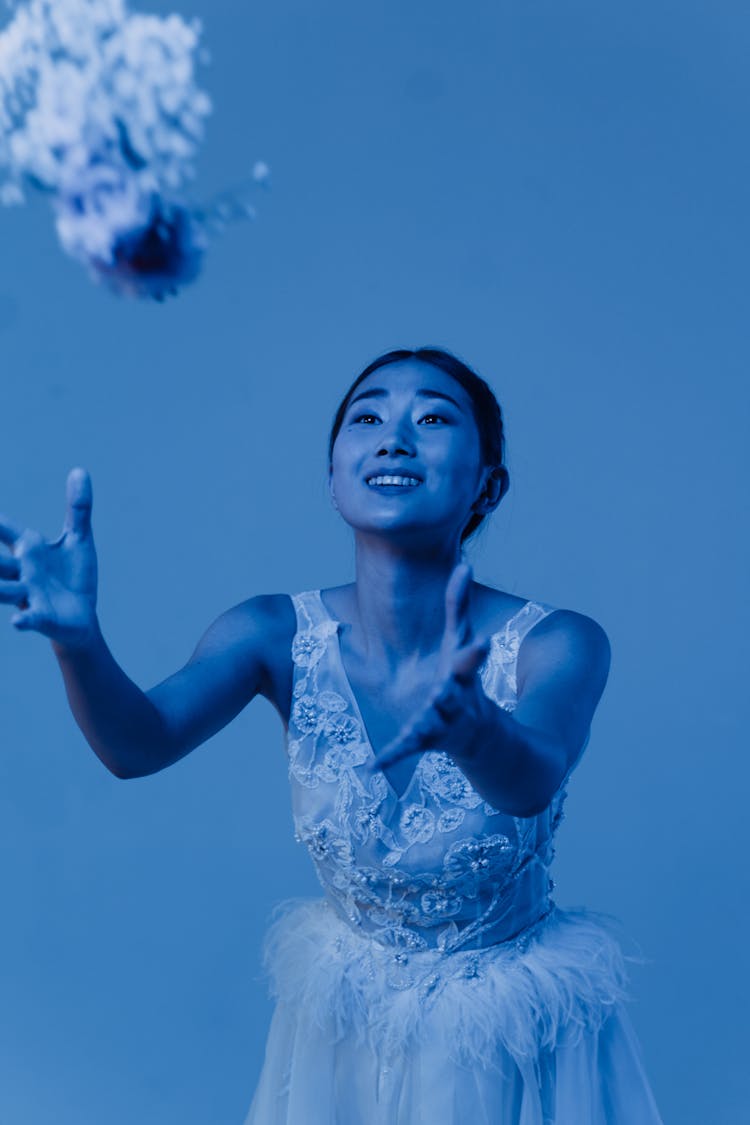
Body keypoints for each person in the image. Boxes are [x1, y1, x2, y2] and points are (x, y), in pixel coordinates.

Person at [0, 347, 663, 1124]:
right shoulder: (268, 632)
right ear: (333, 476)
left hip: (506, 1043)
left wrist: (474, 727)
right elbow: (136, 745)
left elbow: (532, 776)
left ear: (490, 482)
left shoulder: (560, 642)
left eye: (435, 417)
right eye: (369, 416)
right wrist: (79, 643)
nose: (395, 437)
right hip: (341, 1037)